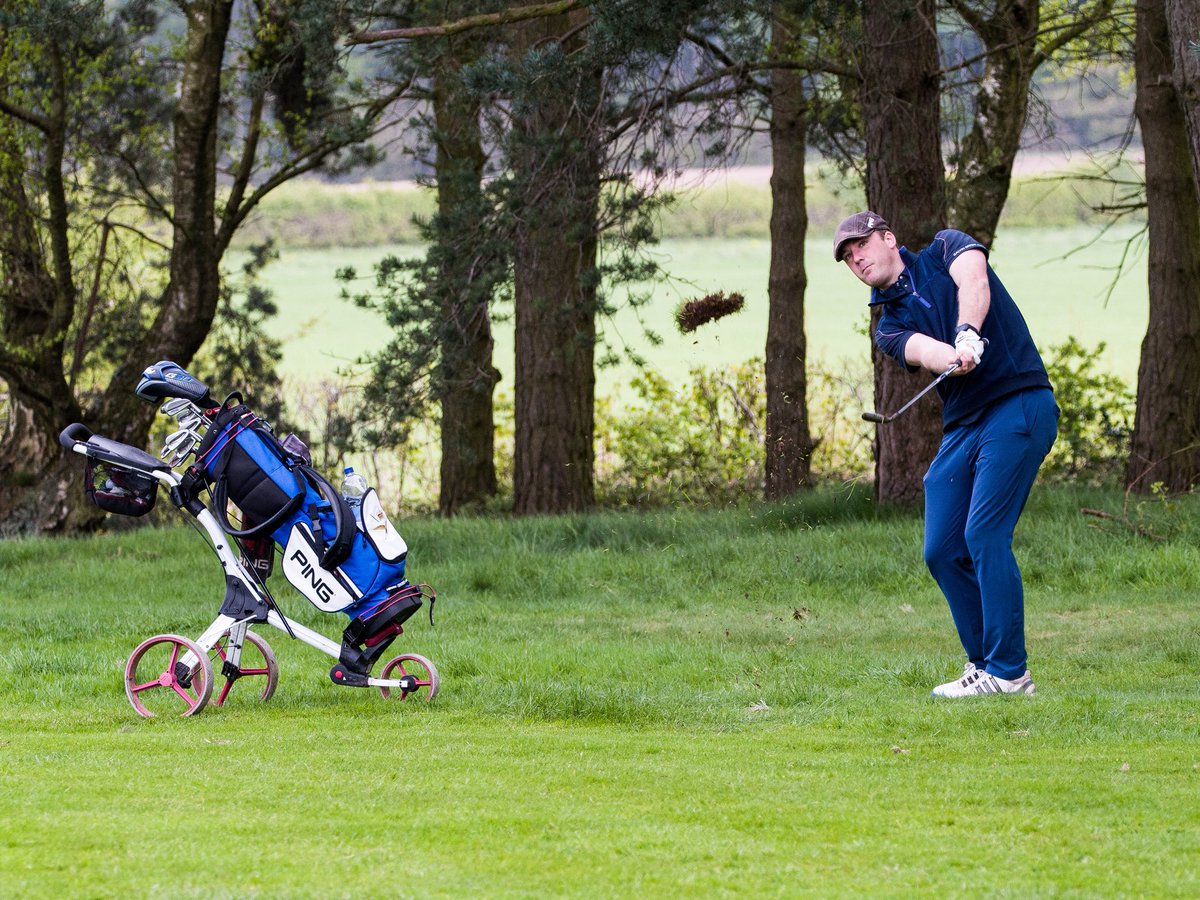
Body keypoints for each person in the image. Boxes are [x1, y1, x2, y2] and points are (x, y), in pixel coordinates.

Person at [834, 211, 1059, 697]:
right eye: (849, 259)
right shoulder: (888, 326)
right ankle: (984, 665)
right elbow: (924, 352)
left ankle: (1009, 672)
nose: (857, 260)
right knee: (941, 548)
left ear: (889, 237)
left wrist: (968, 331)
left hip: (1018, 400)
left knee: (984, 534)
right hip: (966, 423)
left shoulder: (945, 247)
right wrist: (951, 353)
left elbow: (974, 282)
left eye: (862, 247)